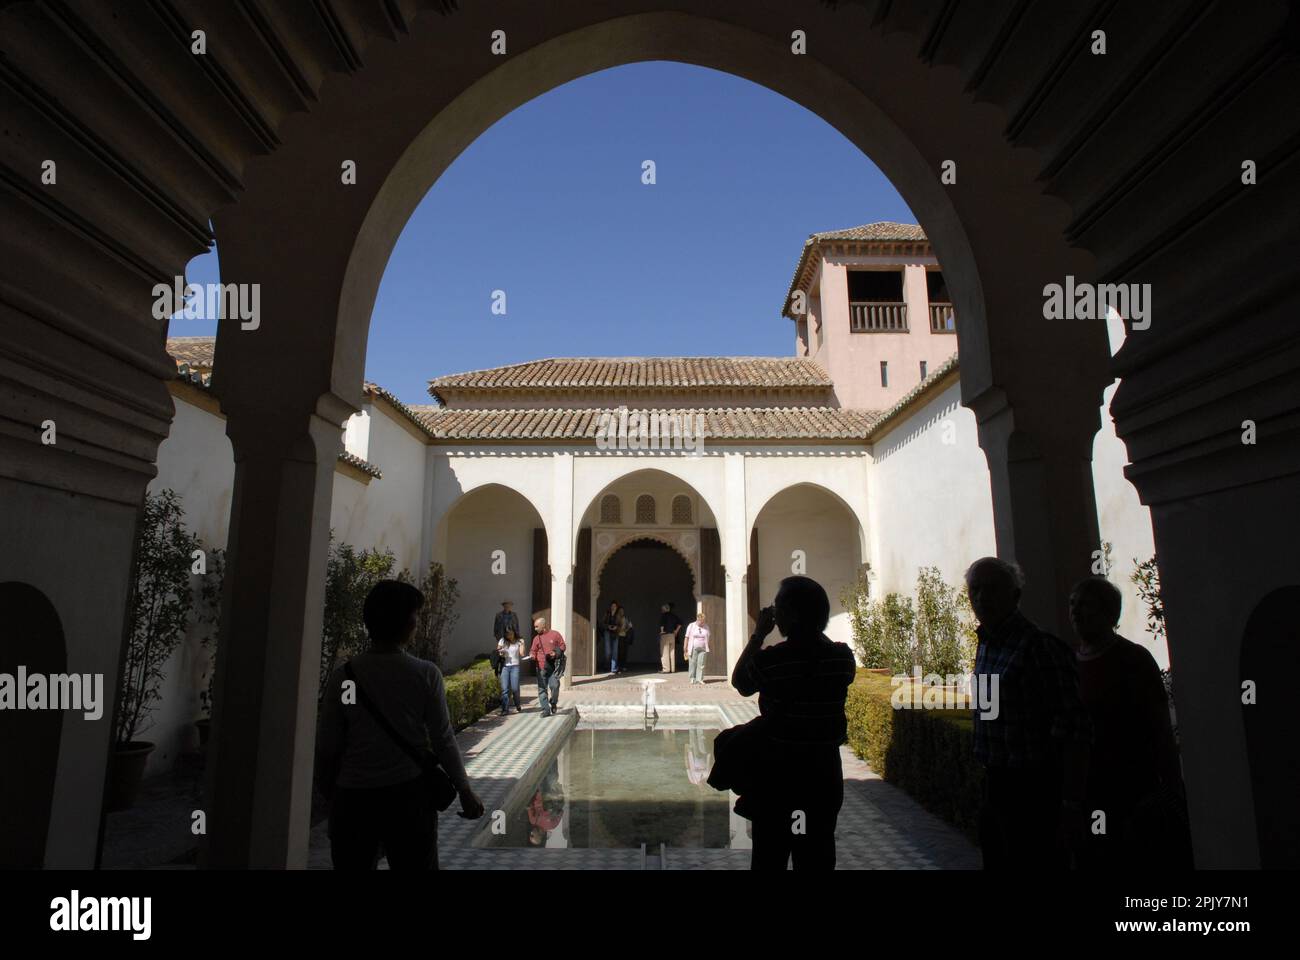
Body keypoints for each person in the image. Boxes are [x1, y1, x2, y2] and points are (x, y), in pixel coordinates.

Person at [316, 579, 485, 870]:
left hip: (354, 799)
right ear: (407, 623)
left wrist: (333, 799)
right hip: (407, 798)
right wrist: (465, 791)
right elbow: (443, 739)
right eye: (415, 616)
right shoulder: (423, 674)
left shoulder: (344, 676)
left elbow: (328, 746)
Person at [966, 556, 1092, 870]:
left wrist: (1070, 804)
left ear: (1016, 596)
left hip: (1034, 794)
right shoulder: (987, 644)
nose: (982, 597)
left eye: (992, 589)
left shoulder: (1041, 648)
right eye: (975, 589)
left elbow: (1076, 730)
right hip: (996, 787)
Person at [729, 576, 856, 870]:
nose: (777, 614)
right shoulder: (841, 659)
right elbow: (819, 648)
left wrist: (759, 634)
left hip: (779, 780)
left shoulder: (772, 662)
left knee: (769, 858)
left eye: (780, 608)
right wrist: (814, 630)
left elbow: (740, 682)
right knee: (816, 856)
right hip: (822, 779)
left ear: (791, 615)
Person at [1068, 575, 1192, 868]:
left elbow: (1159, 727)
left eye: (1085, 604)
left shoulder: (1133, 660)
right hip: (1089, 791)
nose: (1076, 611)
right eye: (1073, 604)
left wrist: (1172, 786)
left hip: (1132, 790)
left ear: (1109, 613)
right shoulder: (1071, 664)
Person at [530, 616, 566, 717]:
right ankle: (545, 710)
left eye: (537, 626)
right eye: (534, 627)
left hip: (553, 667)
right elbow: (533, 650)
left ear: (543, 625)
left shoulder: (555, 634)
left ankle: (553, 702)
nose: (535, 628)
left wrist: (555, 653)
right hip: (540, 668)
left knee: (555, 686)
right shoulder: (536, 639)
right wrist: (532, 655)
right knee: (542, 689)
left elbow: (563, 646)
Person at [496, 626, 526, 716]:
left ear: (514, 632)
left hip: (515, 667)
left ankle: (517, 704)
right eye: (507, 634)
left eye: (511, 633)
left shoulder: (519, 641)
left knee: (515, 688)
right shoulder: (502, 640)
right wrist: (501, 652)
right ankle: (505, 709)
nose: (509, 636)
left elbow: (522, 654)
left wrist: (522, 644)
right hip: (504, 667)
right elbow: (498, 651)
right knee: (505, 689)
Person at [684, 610, 710, 684]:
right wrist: (685, 647)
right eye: (701, 621)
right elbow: (687, 637)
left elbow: (708, 637)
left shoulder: (706, 627)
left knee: (701, 664)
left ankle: (700, 679)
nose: (702, 623)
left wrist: (707, 646)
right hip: (693, 648)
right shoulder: (691, 625)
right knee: (692, 663)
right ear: (697, 620)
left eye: (703, 621)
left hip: (703, 648)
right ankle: (692, 678)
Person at [658, 602, 683, 673]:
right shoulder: (674, 616)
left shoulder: (663, 615)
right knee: (672, 652)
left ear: (665, 609)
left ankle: (666, 669)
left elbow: (662, 625)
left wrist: (662, 631)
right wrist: (676, 631)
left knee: (664, 652)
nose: (661, 610)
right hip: (672, 635)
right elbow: (680, 624)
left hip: (665, 635)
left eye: (662, 609)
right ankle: (672, 669)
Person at [601, 600, 623, 676]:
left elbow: (621, 625)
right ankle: (606, 666)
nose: (613, 607)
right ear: (610, 607)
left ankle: (613, 669)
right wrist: (608, 626)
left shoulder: (618, 615)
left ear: (617, 607)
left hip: (615, 633)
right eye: (612, 606)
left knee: (615, 651)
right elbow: (602, 623)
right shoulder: (607, 613)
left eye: (615, 606)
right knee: (608, 651)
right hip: (607, 632)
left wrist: (616, 627)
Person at [616, 608, 632, 674]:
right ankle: (619, 667)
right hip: (619, 637)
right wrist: (628, 628)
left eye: (623, 611)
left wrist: (629, 626)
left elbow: (628, 626)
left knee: (624, 652)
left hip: (625, 637)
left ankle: (623, 666)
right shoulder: (617, 619)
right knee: (620, 653)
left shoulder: (626, 618)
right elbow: (620, 629)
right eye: (620, 611)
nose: (622, 612)